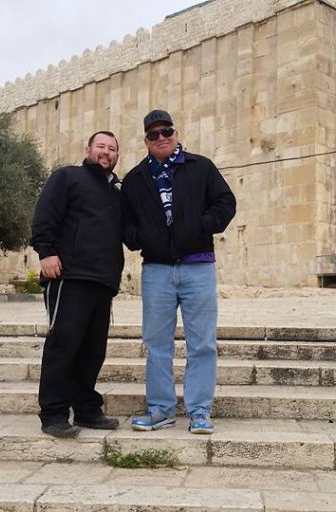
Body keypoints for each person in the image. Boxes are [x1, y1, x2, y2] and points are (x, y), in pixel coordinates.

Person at [120, 109, 236, 434]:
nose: (162, 138)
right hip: (156, 269)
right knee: (157, 344)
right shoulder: (134, 180)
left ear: (175, 132)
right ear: (146, 140)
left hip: (198, 267)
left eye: (166, 131)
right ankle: (161, 409)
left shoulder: (201, 167)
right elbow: (125, 223)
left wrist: (201, 227)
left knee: (203, 343)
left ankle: (200, 411)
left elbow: (225, 203)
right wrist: (142, 239)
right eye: (154, 134)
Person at [30, 131, 124, 438]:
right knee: (64, 344)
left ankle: (86, 409)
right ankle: (54, 413)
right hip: (69, 277)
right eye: (101, 146)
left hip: (102, 281)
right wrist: (46, 252)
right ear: (88, 149)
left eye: (111, 148)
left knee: (92, 350)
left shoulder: (116, 192)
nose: (106, 152)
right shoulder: (67, 177)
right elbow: (45, 214)